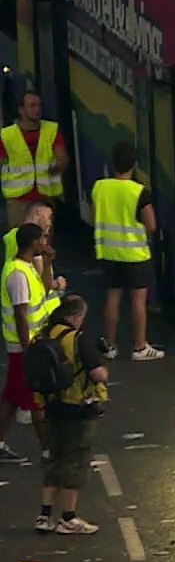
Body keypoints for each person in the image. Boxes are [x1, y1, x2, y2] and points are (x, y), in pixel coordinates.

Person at [33, 295, 107, 535]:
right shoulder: (77, 339)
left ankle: (44, 516)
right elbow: (97, 374)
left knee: (54, 460)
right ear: (75, 316)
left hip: (51, 407)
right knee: (75, 463)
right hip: (78, 408)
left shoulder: (44, 335)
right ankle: (68, 517)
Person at [91, 141, 162, 360]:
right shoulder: (139, 192)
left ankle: (110, 346)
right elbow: (151, 225)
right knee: (137, 301)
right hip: (135, 255)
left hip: (109, 254)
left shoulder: (99, 187)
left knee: (112, 299)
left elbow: (95, 216)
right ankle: (140, 347)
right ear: (134, 164)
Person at [0, 223, 57, 464]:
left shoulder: (28, 268)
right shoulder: (17, 275)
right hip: (25, 347)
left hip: (28, 345)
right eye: (42, 239)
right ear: (32, 243)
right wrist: (29, 349)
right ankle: (48, 450)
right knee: (37, 400)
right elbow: (20, 314)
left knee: (12, 398)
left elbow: (44, 290)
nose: (45, 242)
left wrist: (49, 263)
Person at [0, 90, 67, 227]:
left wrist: (58, 165)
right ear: (21, 110)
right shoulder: (7, 135)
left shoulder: (51, 130)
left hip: (44, 198)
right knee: (18, 242)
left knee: (43, 244)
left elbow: (63, 158)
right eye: (32, 106)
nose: (37, 109)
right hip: (18, 200)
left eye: (39, 106)